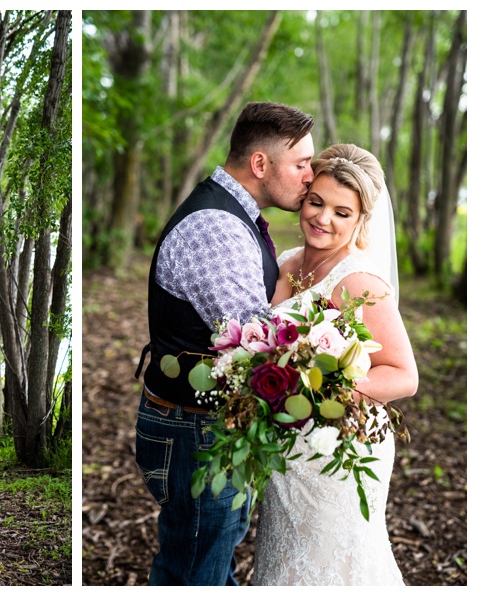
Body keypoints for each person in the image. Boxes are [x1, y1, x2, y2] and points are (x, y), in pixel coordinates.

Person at [134, 101, 315, 585]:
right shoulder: (217, 225)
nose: (310, 176)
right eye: (300, 164)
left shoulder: (231, 211)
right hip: (192, 430)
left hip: (201, 424)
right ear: (260, 164)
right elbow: (258, 343)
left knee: (209, 563)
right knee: (194, 573)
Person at [251, 144, 418, 585]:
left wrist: (318, 391)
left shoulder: (360, 281)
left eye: (342, 212)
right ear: (303, 200)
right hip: (286, 446)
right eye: (317, 203)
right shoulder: (286, 263)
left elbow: (404, 374)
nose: (323, 219)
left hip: (339, 451)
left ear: (360, 220)